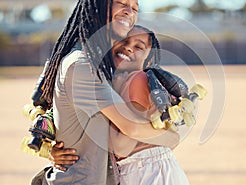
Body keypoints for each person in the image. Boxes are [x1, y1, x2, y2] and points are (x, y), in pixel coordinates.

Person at [31, 0, 179, 184]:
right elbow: (131, 129)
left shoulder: (102, 66)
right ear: (96, 7)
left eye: (135, 8)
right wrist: (171, 136)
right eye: (121, 3)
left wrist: (50, 149)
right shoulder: (81, 65)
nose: (130, 11)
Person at [51, 25, 191, 185]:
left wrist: (171, 137)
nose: (129, 48)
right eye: (122, 40)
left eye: (138, 46)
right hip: (141, 171)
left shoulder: (137, 80)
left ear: (149, 58)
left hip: (148, 172)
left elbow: (121, 146)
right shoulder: (106, 83)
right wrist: (53, 150)